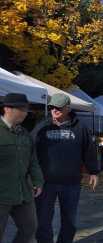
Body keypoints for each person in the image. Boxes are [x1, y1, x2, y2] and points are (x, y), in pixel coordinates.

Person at [33, 93, 100, 243]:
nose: (54, 110)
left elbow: (89, 150)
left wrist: (93, 172)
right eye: (52, 107)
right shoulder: (42, 127)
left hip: (71, 183)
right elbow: (30, 150)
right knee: (43, 222)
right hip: (45, 183)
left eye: (59, 107)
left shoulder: (80, 128)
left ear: (68, 108)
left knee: (69, 223)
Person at [0, 93, 44, 243]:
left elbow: (33, 161)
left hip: (23, 193)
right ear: (7, 109)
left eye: (26, 110)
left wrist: (38, 180)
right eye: (21, 109)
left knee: (29, 229)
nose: (25, 113)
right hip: (1, 195)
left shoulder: (24, 134)